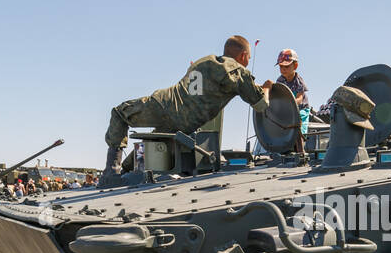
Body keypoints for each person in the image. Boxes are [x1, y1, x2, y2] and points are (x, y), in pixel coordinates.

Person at [101, 35, 273, 184]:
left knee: (126, 118)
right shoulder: (237, 71)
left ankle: (115, 172)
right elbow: (261, 104)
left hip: (164, 105)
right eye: (248, 58)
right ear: (243, 56)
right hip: (185, 124)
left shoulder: (205, 61)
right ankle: (119, 173)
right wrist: (267, 88)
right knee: (150, 142)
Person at [275, 48, 312, 156]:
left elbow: (300, 98)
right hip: (287, 109)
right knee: (283, 126)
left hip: (301, 109)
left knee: (298, 126)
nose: (283, 69)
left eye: (286, 66)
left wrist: (291, 104)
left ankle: (301, 151)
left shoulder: (298, 80)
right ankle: (285, 149)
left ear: (295, 66)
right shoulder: (280, 81)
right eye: (281, 66)